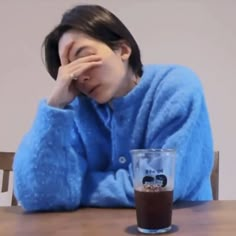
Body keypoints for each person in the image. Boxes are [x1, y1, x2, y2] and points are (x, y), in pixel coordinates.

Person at [13, 4, 214, 212]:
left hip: (180, 225)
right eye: (68, 68)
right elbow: (35, 194)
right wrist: (55, 107)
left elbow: (161, 184)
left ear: (123, 50)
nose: (78, 75)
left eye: (83, 57)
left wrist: (72, 187)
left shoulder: (176, 88)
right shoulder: (75, 109)